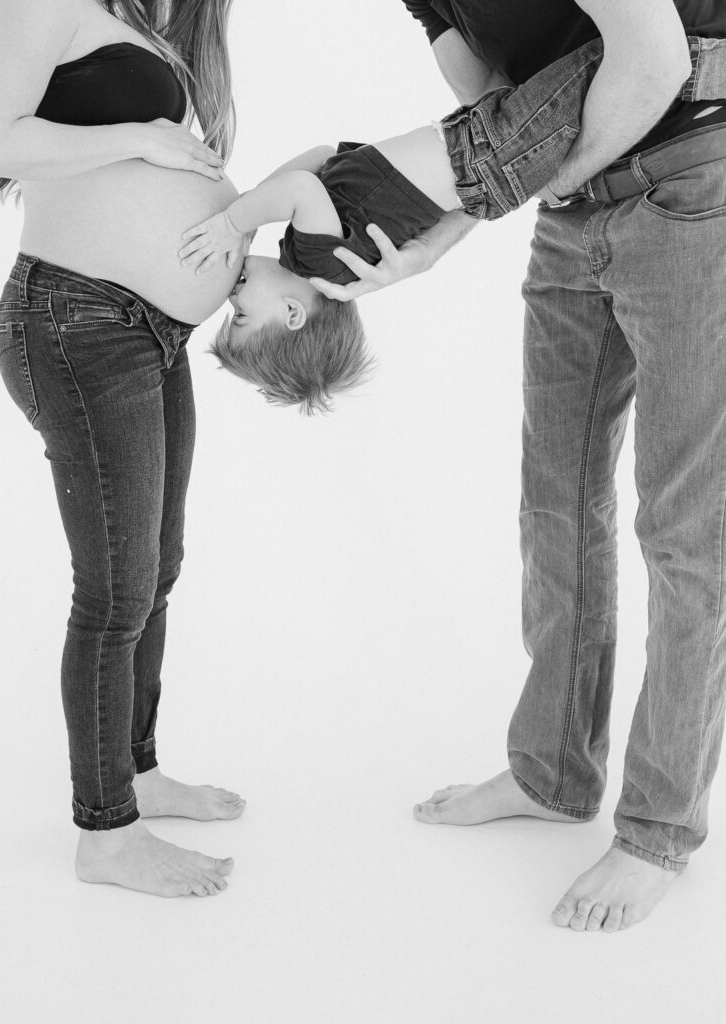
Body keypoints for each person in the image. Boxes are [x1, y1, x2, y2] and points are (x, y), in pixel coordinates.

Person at [315, 0, 726, 933]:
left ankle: (657, 830)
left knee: (684, 533)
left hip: (694, 182)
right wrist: (439, 236)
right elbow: (505, 116)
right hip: (576, 206)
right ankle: (550, 772)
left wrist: (544, 185)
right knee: (554, 504)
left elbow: (654, 61)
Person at [0, 0, 248, 898]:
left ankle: (136, 770)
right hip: (78, 323)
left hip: (149, 332)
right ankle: (105, 836)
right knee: (114, 593)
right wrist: (140, 135)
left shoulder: (144, 28)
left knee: (155, 568)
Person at [176, 40, 604, 413]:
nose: (232, 297)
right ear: (292, 313)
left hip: (484, 150)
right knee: (603, 59)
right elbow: (301, 188)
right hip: (491, 156)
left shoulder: (309, 252)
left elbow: (320, 158)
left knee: (594, 61)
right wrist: (234, 221)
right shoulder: (322, 266)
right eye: (241, 314)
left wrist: (247, 216)